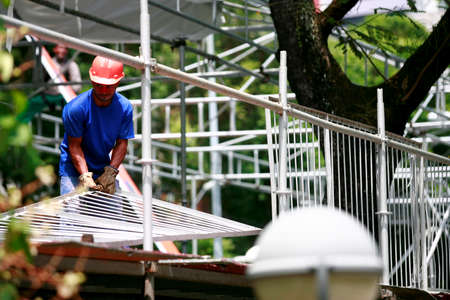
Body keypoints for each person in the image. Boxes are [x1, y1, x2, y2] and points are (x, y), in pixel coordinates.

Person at [58, 56, 134, 195]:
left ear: (118, 82)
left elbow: (122, 143)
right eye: (99, 85)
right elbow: (74, 146)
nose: (103, 91)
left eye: (109, 86)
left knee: (113, 214)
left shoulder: (124, 108)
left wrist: (111, 172)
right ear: (92, 80)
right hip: (72, 169)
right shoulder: (76, 109)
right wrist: (86, 176)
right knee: (71, 214)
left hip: (103, 167)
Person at [18, 44, 82, 122]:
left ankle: (82, 130)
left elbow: (77, 85)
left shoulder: (71, 65)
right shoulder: (47, 63)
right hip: (47, 95)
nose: (61, 51)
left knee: (78, 110)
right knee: (29, 106)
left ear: (66, 51)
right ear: (54, 50)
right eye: (59, 48)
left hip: (63, 97)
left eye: (63, 49)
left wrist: (65, 89)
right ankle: (17, 126)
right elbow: (39, 81)